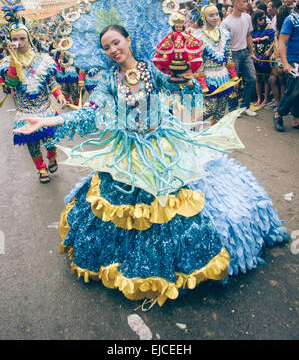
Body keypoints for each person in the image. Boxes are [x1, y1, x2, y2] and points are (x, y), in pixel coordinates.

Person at [14, 23, 288, 307]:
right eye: (106, 47)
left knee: (177, 208)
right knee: (126, 213)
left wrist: (186, 78)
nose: (113, 50)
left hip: (164, 147)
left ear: (128, 40)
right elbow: (89, 113)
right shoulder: (109, 81)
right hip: (129, 154)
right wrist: (47, 120)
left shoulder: (151, 69)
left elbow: (183, 91)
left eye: (116, 42)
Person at [0, 0, 67, 183]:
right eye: (15, 39)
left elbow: (51, 81)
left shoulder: (43, 60)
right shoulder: (7, 63)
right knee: (32, 144)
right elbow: (12, 83)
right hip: (25, 112)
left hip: (45, 109)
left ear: (29, 38)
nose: (19, 42)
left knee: (50, 142)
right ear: (10, 41)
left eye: (22, 38)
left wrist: (60, 95)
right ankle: (41, 169)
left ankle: (52, 156)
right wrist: (13, 58)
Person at [189, 4, 239, 124]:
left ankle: (214, 133)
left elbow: (228, 55)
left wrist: (233, 76)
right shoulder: (199, 37)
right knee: (210, 108)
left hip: (224, 77)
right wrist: (202, 82)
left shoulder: (224, 33)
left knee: (221, 111)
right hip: (209, 77)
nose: (215, 17)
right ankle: (192, 126)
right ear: (204, 17)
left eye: (217, 14)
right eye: (211, 15)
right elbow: (199, 62)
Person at [221, 0, 258, 116]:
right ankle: (232, 109)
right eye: (244, 1)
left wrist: (252, 52)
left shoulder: (247, 17)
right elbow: (223, 43)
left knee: (252, 79)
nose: (246, 4)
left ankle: (245, 106)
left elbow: (248, 35)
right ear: (236, 3)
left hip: (245, 52)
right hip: (232, 54)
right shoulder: (226, 23)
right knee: (233, 83)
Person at [273, 0, 299, 131]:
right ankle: (278, 114)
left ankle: (296, 119)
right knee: (293, 89)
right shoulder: (291, 19)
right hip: (294, 60)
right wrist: (285, 63)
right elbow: (282, 42)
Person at [251, 9, 275, 107]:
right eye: (261, 19)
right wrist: (260, 39)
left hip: (265, 54)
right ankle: (259, 98)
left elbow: (274, 40)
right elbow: (248, 39)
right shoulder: (253, 28)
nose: (263, 20)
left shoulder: (268, 26)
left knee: (266, 78)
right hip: (256, 54)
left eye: (264, 18)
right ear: (256, 19)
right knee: (257, 78)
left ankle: (265, 99)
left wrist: (269, 50)